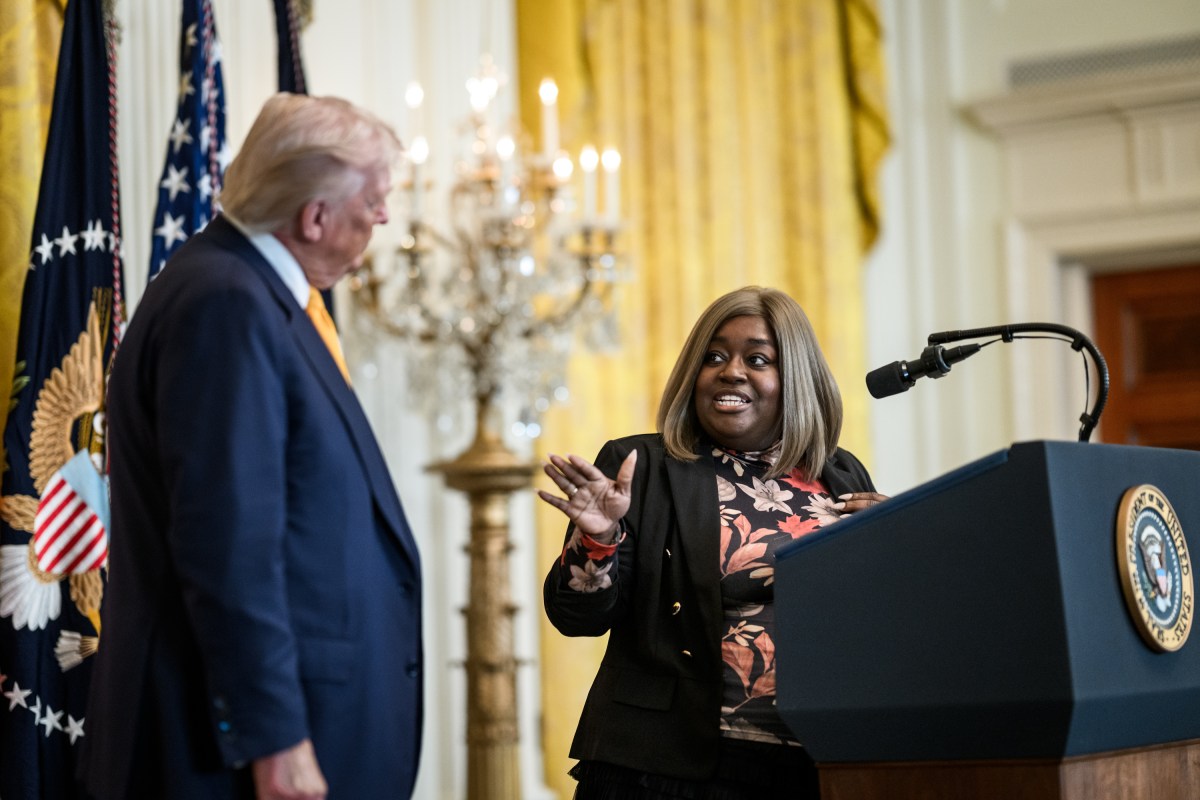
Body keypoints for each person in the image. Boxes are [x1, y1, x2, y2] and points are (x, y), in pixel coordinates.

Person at [81, 93, 423, 800]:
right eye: (375, 199)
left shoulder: (247, 292)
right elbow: (227, 542)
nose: (383, 217)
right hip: (231, 752)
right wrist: (274, 737)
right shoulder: (227, 303)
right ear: (316, 216)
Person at [539, 286, 887, 799]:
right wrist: (599, 539)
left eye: (759, 358)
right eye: (715, 357)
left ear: (798, 379)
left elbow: (866, 621)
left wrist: (897, 545)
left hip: (812, 763)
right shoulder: (644, 467)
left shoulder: (839, 472)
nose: (731, 371)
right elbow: (578, 619)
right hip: (664, 767)